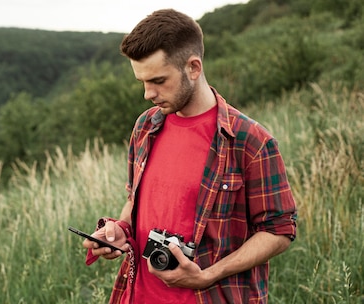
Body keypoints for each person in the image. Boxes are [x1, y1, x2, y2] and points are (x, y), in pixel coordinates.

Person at [81, 9, 297, 304]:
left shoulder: (250, 141)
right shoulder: (146, 126)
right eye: (142, 81)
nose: (147, 93)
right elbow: (136, 201)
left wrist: (208, 275)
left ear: (193, 67)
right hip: (137, 296)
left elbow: (279, 230)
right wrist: (120, 231)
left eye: (158, 80)